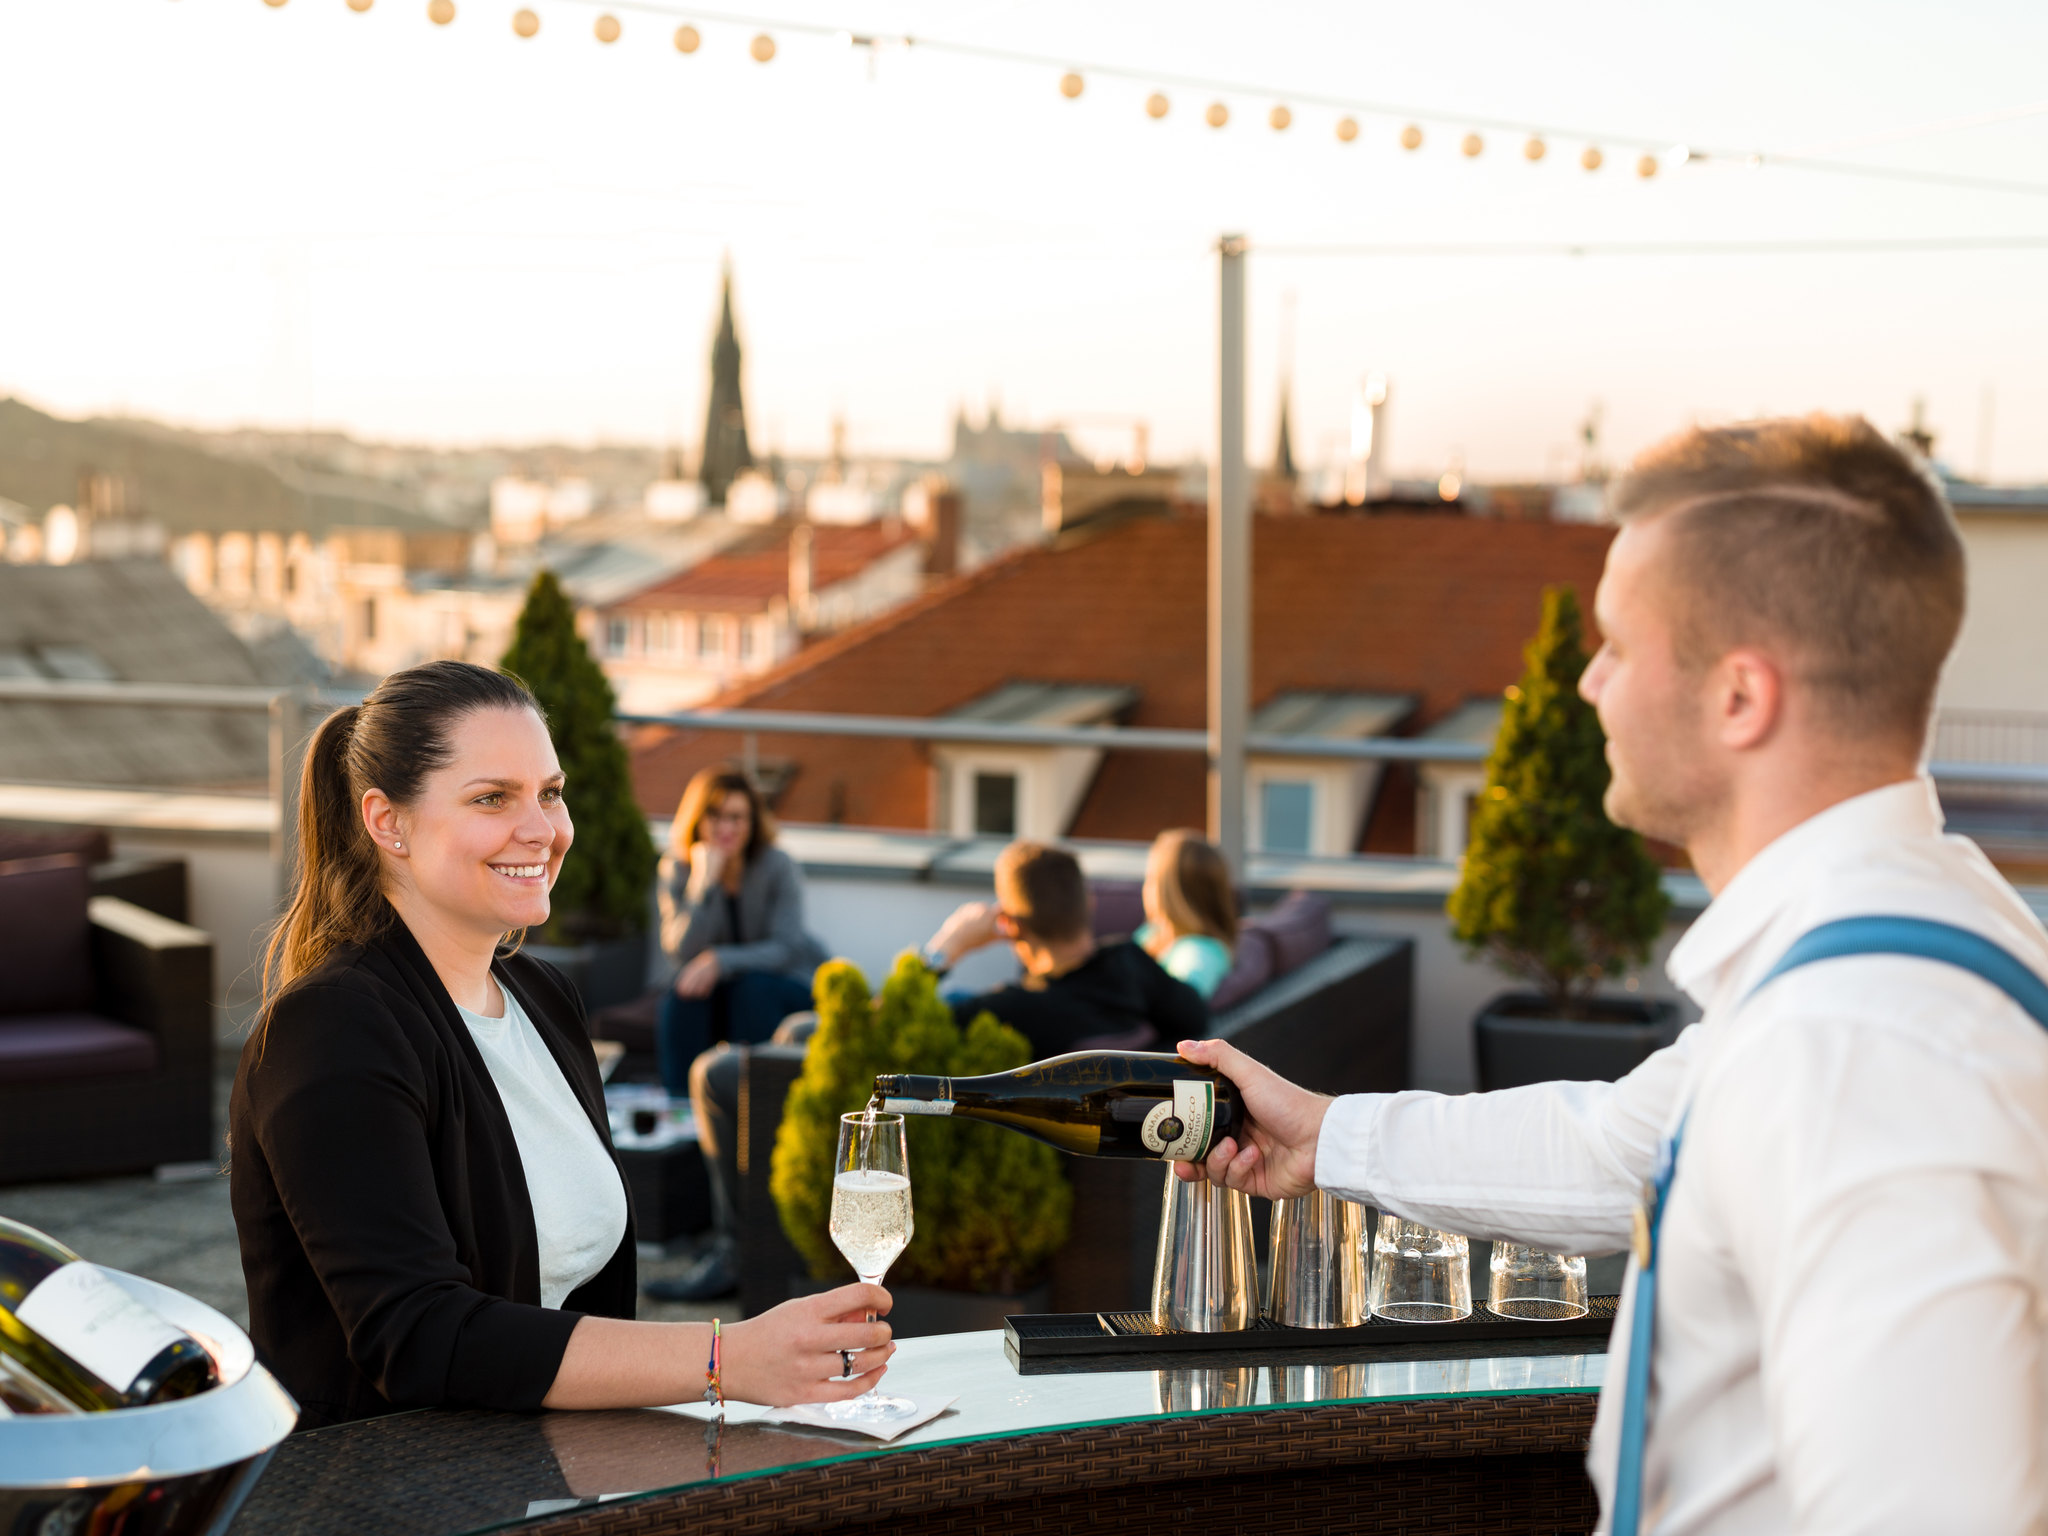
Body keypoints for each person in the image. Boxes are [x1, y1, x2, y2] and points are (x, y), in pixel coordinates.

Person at [1177, 416, 2048, 1533]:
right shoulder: (1910, 934)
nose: (1585, 684)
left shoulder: (1847, 1049)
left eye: (1617, 646)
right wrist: (1323, 1138)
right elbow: (1614, 1150)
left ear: (1739, 696)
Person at [230, 660, 890, 1427]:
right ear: (388, 822)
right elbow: (416, 1339)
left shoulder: (542, 998)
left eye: (549, 792)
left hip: (540, 1466)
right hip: (386, 1492)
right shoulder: (332, 1029)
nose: (544, 830)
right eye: (492, 799)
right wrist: (725, 1360)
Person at [921, 840, 1209, 1054]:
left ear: (1011, 925)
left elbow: (887, 1025)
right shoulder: (1132, 962)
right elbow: (1197, 1018)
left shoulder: (1012, 1010)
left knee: (953, 998)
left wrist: (950, 945)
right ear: (1089, 904)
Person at [655, 767, 827, 1094]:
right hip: (722, 993)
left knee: (752, 990)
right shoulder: (677, 867)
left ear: (752, 822)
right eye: (716, 816)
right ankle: (682, 1108)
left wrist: (720, 960)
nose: (726, 828)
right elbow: (679, 950)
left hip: (785, 983)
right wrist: (703, 883)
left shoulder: (777, 865)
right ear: (697, 819)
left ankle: (758, 1101)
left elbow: (786, 948)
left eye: (737, 818)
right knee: (682, 995)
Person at [1133, 828, 1237, 1000]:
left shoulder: (1200, 951)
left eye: (1151, 879)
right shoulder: (1151, 934)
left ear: (1169, 894)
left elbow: (1185, 1001)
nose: (1144, 888)